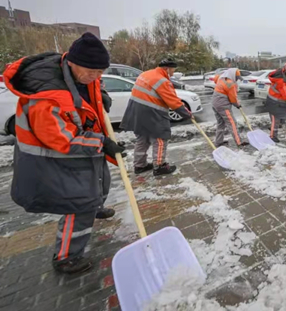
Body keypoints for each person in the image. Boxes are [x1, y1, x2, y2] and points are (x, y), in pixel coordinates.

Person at [3, 33, 124, 274]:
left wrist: (102, 96)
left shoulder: (79, 74)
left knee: (99, 182)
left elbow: (92, 88)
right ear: (72, 62)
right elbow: (62, 138)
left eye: (101, 72)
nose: (97, 77)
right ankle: (66, 256)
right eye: (93, 72)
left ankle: (95, 205)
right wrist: (102, 143)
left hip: (82, 150)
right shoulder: (47, 97)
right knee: (78, 204)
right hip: (54, 158)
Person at [120, 58, 191, 176]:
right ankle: (159, 166)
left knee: (142, 137)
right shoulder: (162, 80)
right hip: (151, 111)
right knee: (160, 138)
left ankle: (139, 165)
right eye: (173, 70)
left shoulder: (146, 74)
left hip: (136, 109)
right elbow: (173, 101)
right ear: (167, 69)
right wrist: (187, 114)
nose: (173, 73)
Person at [212, 68, 248, 147]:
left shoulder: (221, 78)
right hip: (223, 105)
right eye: (237, 78)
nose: (237, 80)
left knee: (221, 123)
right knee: (232, 123)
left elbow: (216, 80)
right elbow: (233, 98)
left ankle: (218, 142)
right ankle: (239, 142)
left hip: (215, 103)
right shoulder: (230, 84)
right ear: (233, 75)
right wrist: (237, 105)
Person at [266, 62, 286, 143]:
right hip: (273, 102)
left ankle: (274, 134)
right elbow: (285, 95)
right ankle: (272, 136)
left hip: (279, 101)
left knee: (279, 119)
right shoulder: (281, 80)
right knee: (275, 119)